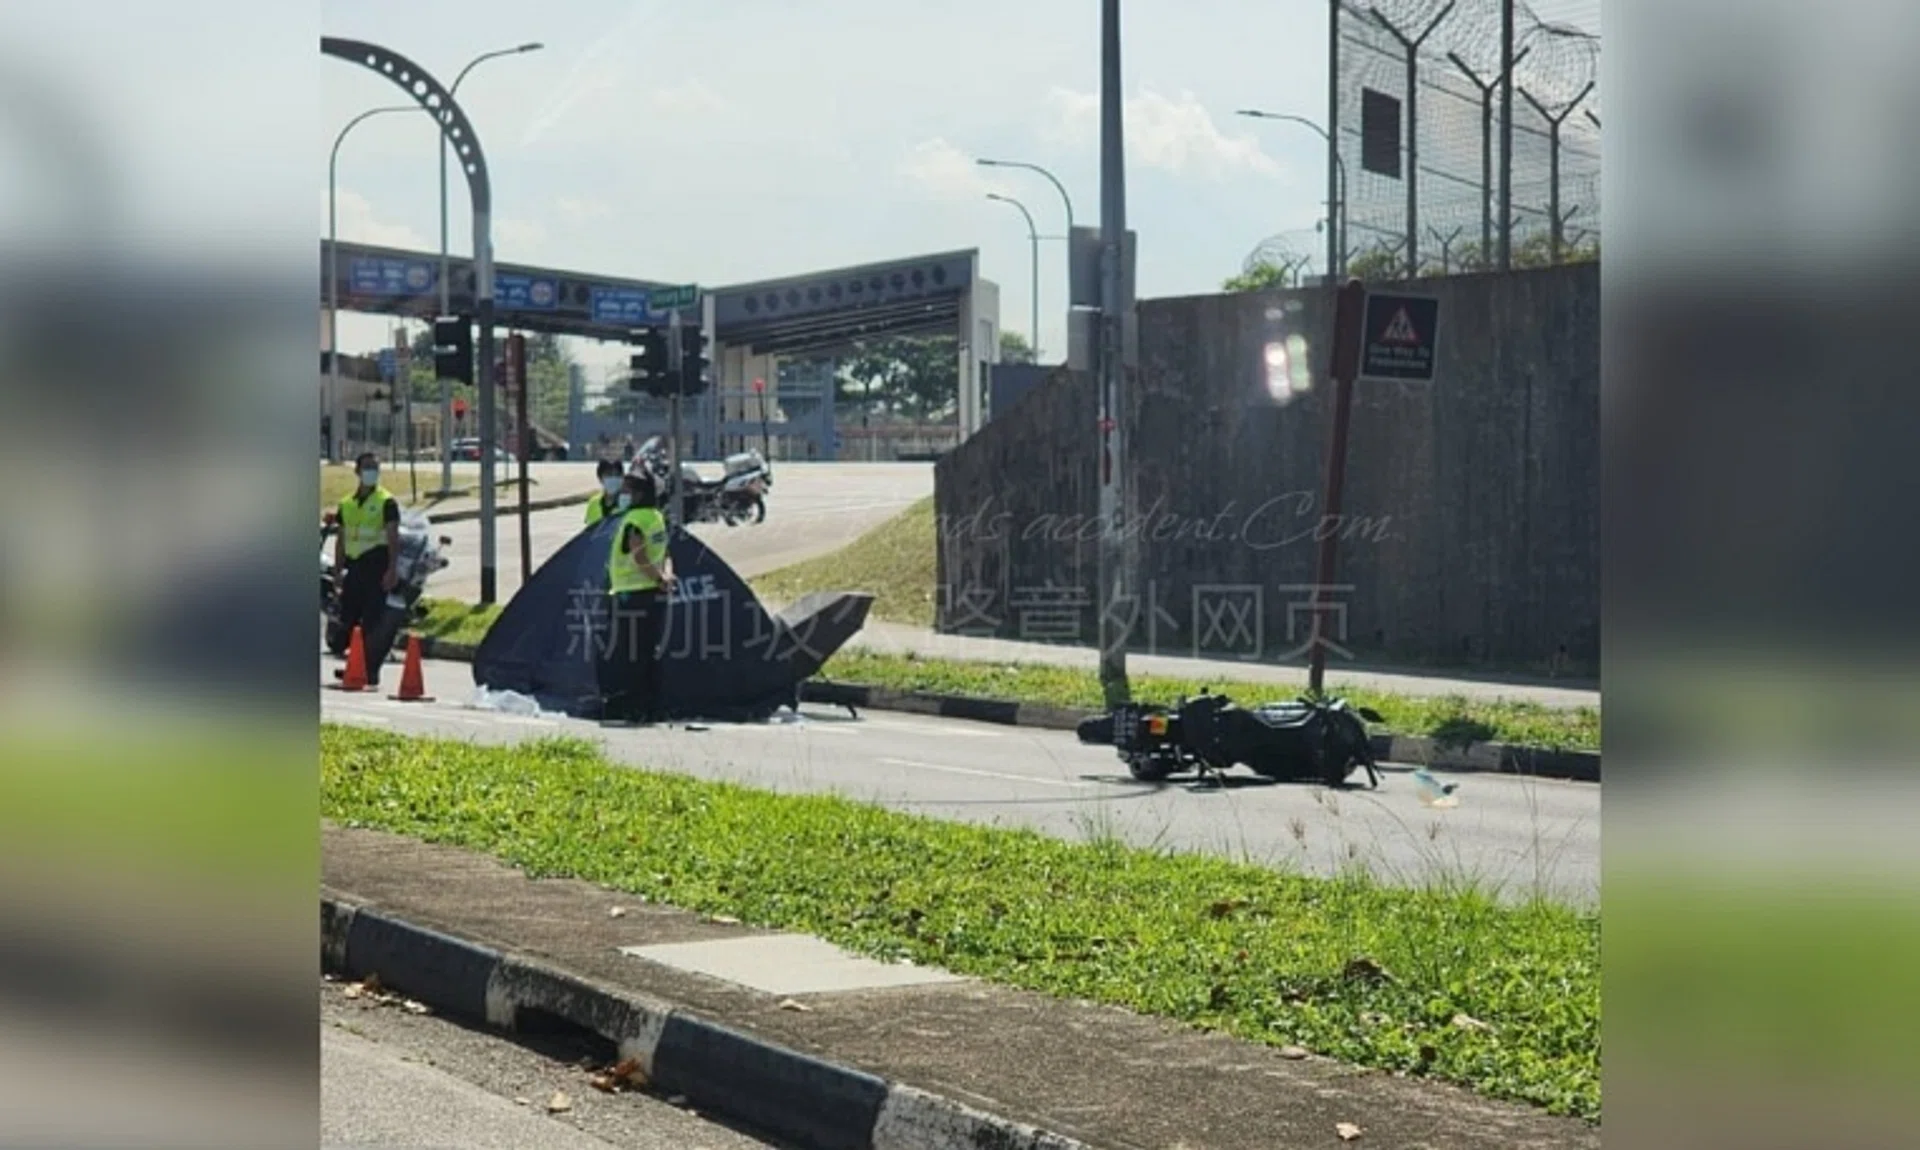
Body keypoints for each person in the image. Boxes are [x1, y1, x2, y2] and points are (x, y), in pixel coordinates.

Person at [598, 469, 676, 725]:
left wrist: (657, 578)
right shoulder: (656, 517)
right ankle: (651, 706)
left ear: (639, 494)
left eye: (628, 491)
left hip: (632, 596)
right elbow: (665, 553)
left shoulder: (634, 521)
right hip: (653, 594)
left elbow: (639, 555)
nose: (623, 495)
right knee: (649, 652)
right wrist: (665, 577)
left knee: (631, 655)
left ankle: (633, 707)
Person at [332, 452, 402, 686]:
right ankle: (355, 664)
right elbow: (341, 540)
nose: (371, 472)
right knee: (348, 619)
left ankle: (369, 670)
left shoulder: (387, 502)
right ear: (357, 471)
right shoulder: (346, 504)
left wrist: (392, 569)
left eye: (375, 467)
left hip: (376, 565)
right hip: (354, 567)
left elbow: (393, 538)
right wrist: (337, 571)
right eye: (367, 467)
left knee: (372, 620)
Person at [582, 458, 625, 529]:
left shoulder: (628, 503)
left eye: (617, 475)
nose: (613, 478)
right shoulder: (593, 503)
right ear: (600, 478)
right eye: (609, 475)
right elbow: (589, 531)